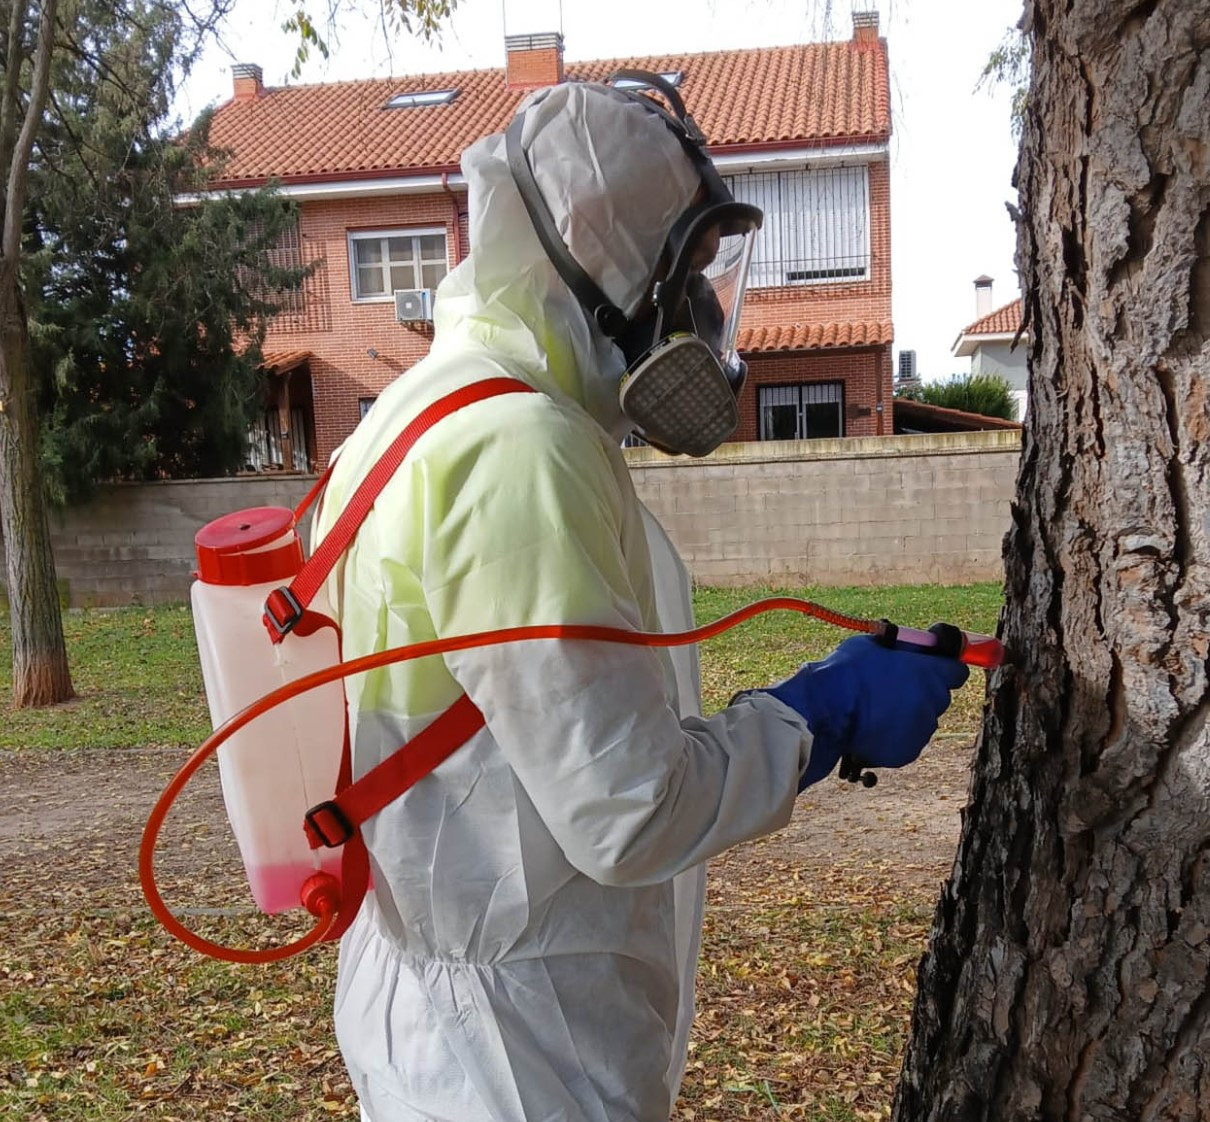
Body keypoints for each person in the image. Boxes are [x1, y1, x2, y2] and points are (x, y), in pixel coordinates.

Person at [313, 76, 968, 1122]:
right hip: (519, 1045)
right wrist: (817, 722)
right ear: (609, 263)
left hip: (437, 998)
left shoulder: (410, 414)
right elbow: (624, 810)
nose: (705, 314)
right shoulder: (514, 447)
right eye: (689, 274)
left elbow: (526, 728)